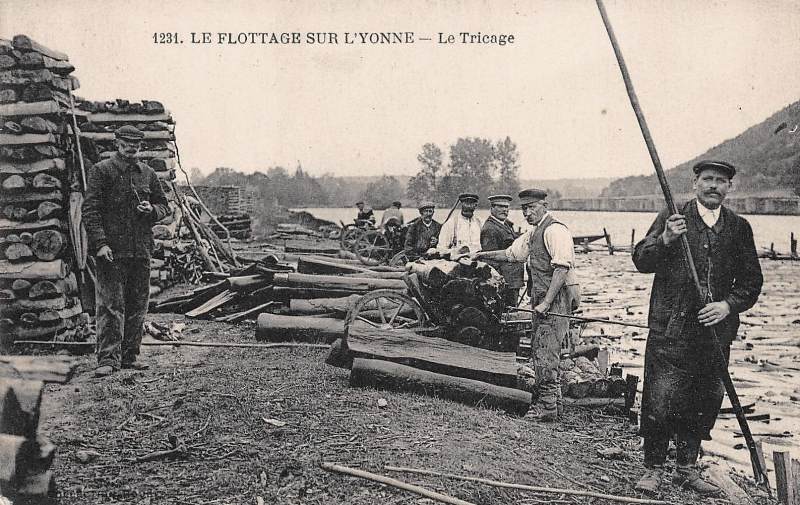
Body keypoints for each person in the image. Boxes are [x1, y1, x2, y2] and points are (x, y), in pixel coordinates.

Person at [632, 160, 763, 496]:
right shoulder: (673, 217)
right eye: (707, 180)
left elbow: (751, 280)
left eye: (721, 181)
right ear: (695, 184)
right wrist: (664, 239)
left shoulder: (738, 227)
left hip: (714, 333)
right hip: (670, 328)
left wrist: (727, 305)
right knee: (661, 398)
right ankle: (653, 469)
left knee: (703, 399)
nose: (713, 186)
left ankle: (688, 467)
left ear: (729, 188)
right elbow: (641, 261)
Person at [472, 189, 578, 422]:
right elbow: (512, 255)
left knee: (545, 352)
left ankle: (546, 408)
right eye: (524, 209)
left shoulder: (555, 230)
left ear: (544, 205)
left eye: (532, 207)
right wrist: (480, 256)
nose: (527, 213)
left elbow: (562, 269)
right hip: (541, 298)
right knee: (543, 351)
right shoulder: (533, 232)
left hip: (555, 299)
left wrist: (547, 302)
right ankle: (554, 403)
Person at [82, 125, 169, 378]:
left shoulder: (148, 173)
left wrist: (151, 210)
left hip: (140, 250)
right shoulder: (101, 171)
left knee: (137, 305)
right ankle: (107, 359)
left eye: (136, 144)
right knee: (110, 305)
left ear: (140, 147)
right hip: (111, 251)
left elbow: (164, 206)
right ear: (117, 143)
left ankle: (130, 356)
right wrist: (100, 244)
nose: (131, 148)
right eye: (126, 143)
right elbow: (91, 211)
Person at [481, 194, 525, 306]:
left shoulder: (505, 224)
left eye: (506, 207)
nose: (504, 210)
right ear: (492, 208)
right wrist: (499, 282)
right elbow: (490, 259)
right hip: (504, 281)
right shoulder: (489, 229)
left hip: (512, 279)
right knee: (506, 311)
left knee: (512, 309)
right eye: (500, 207)